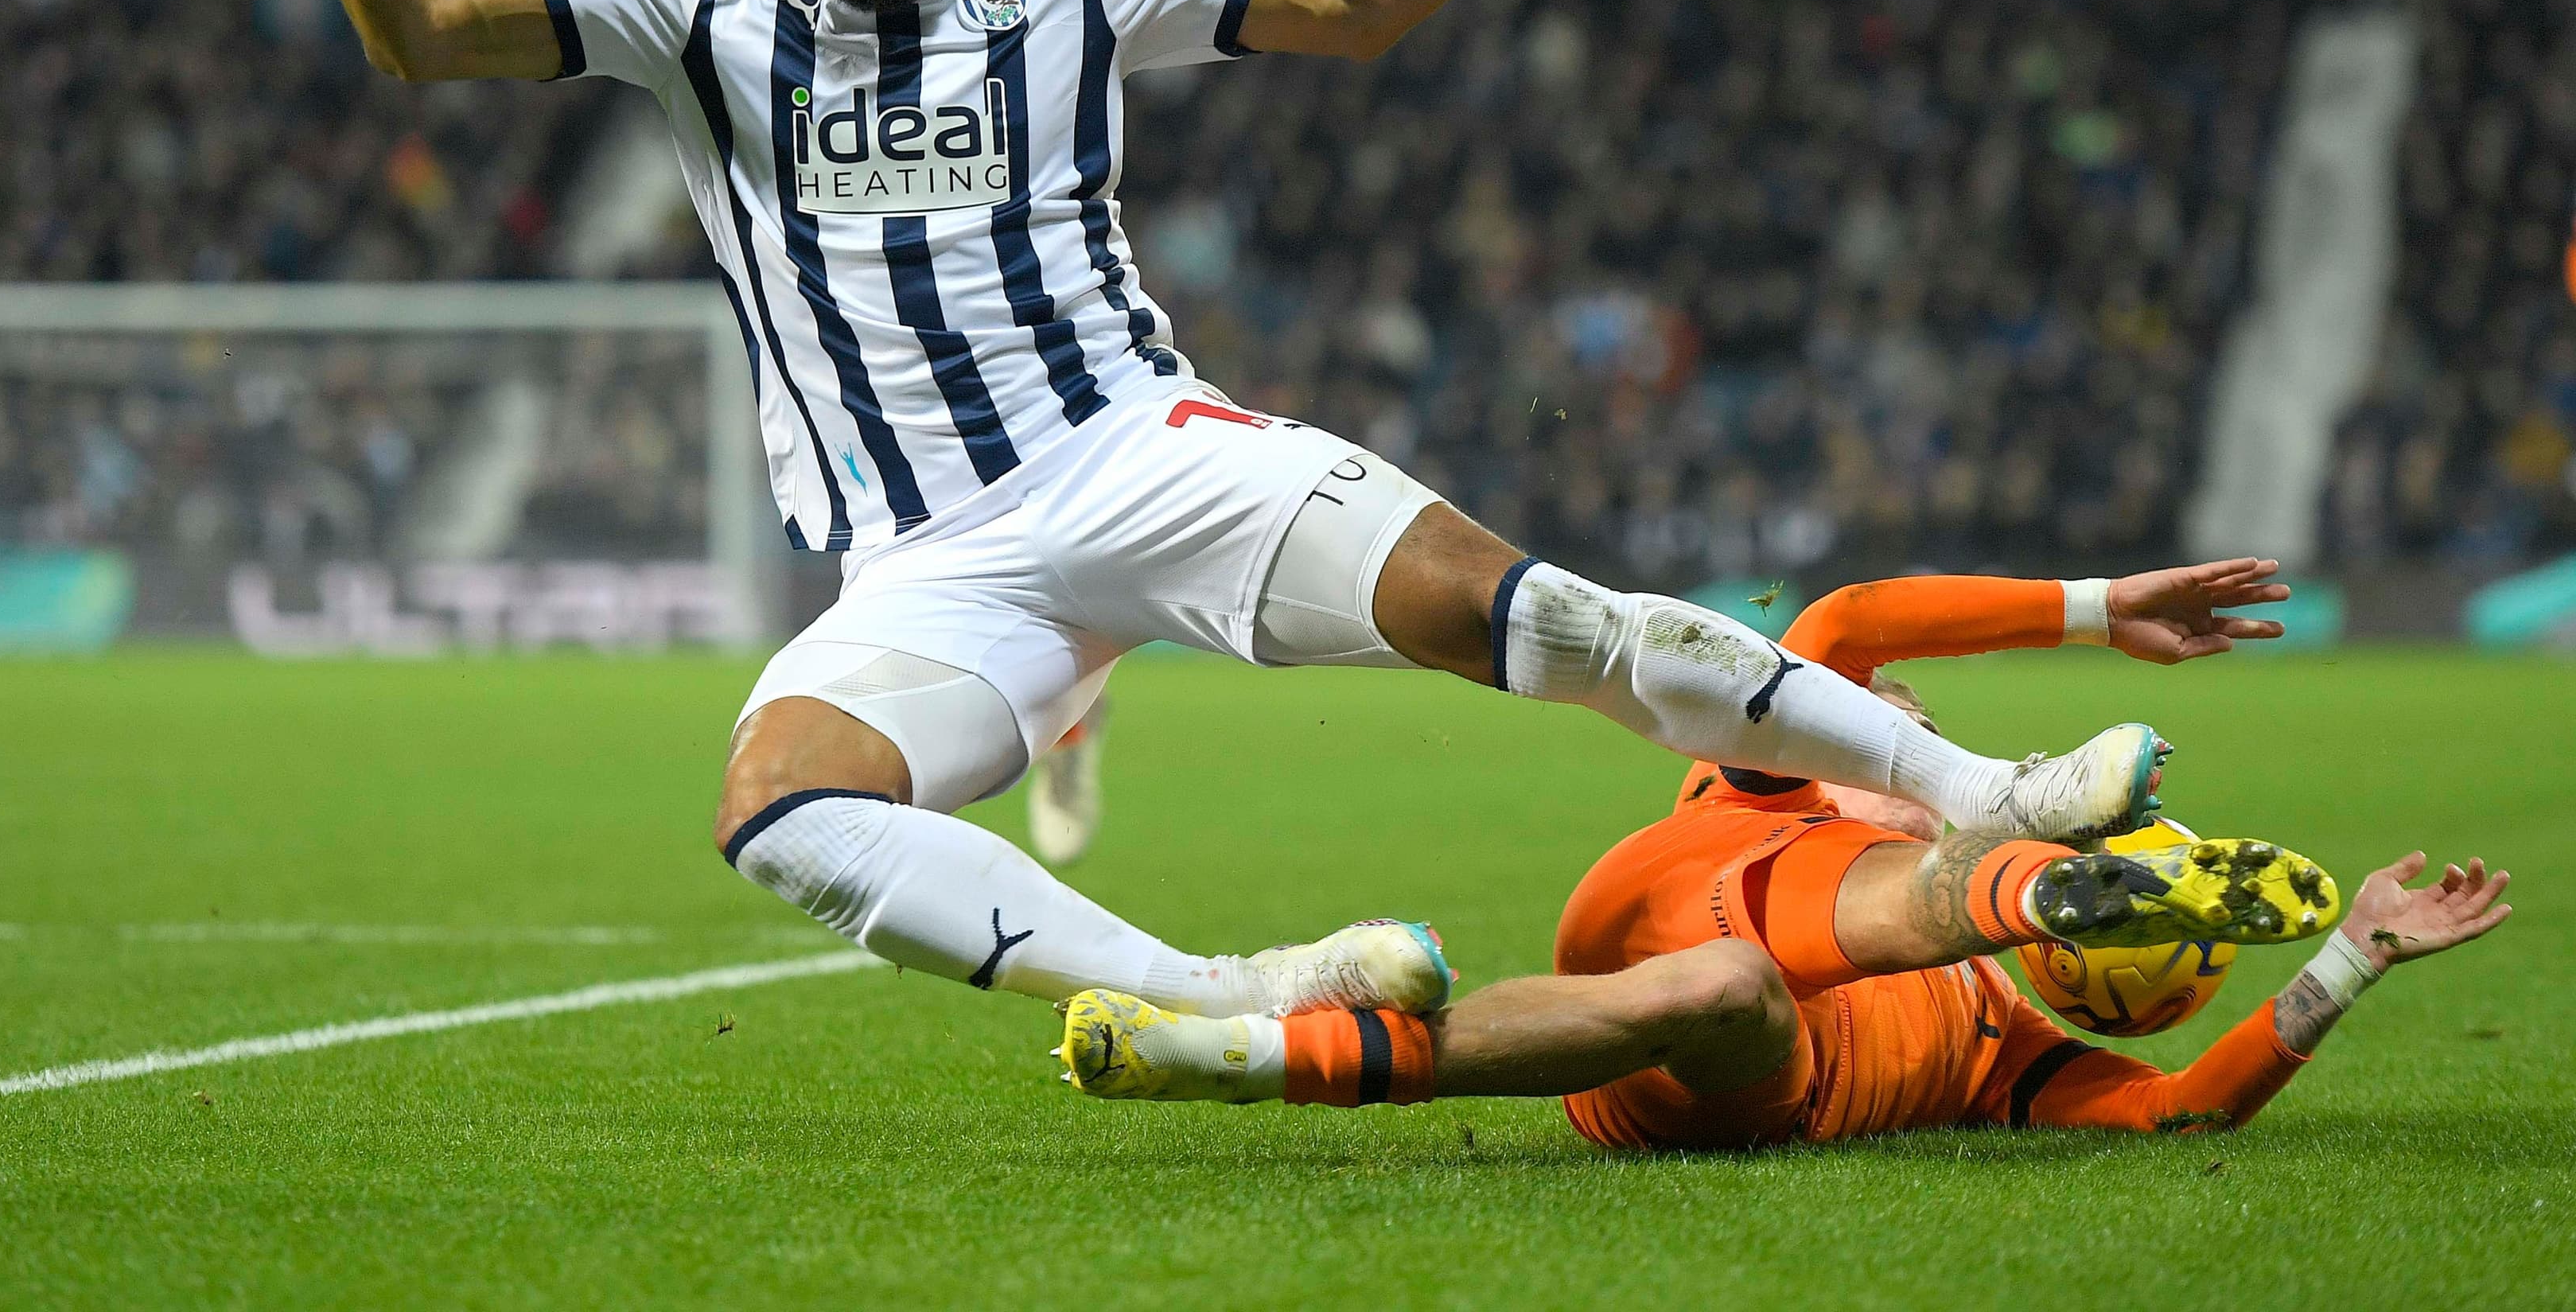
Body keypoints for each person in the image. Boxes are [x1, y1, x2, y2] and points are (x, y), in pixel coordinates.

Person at [284, 0, 2195, 1023]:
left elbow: (1342, 1)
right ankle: (1217, 995)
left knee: (1529, 613)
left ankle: (1987, 793)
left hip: (1144, 448)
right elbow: (422, 24)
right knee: (781, 811)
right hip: (927, 562)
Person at [1058, 565, 2485, 1145]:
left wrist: (2353, 957)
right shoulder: (1784, 764)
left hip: (1706, 1061)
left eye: (1897, 725)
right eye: (1879, 720)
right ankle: (2030, 883)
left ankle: (1226, 1055)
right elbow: (1853, 619)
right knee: (1805, 875)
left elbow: (2180, 1111)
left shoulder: (2015, 1063)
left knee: (1732, 984)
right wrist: (2094, 606)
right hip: (1677, 885)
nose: (1883, 725)